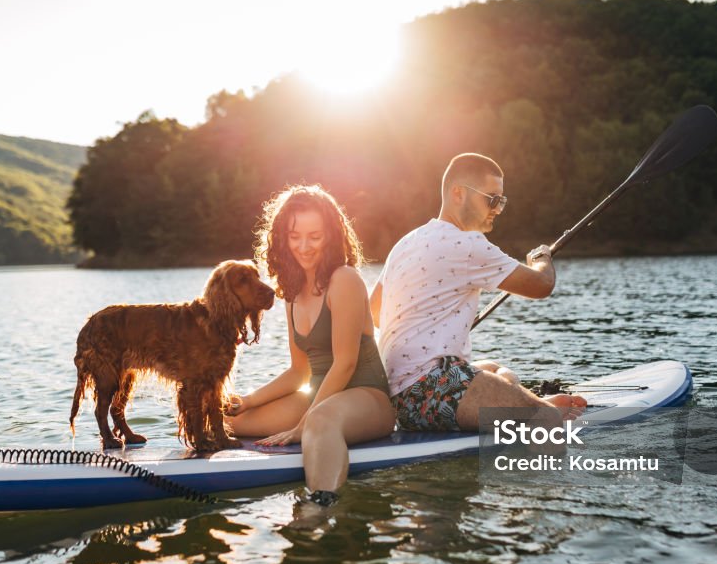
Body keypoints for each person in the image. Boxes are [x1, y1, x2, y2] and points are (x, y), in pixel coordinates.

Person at [369, 153, 586, 432]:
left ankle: (522, 405)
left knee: (494, 369)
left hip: (395, 397)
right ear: (458, 193)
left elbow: (376, 315)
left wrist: (433, 327)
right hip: (431, 389)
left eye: (502, 200)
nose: (498, 208)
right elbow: (541, 285)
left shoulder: (406, 242)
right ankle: (539, 411)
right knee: (549, 421)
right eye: (492, 199)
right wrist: (542, 256)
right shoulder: (468, 243)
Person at [228, 184, 395, 506]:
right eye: (294, 236)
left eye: (314, 236)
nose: (303, 246)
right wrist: (248, 401)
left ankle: (320, 507)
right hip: (317, 395)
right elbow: (299, 371)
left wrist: (304, 425)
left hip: (366, 396)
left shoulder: (344, 279)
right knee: (230, 423)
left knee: (321, 421)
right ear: (281, 239)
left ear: (331, 236)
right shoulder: (290, 291)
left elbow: (345, 363)